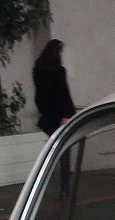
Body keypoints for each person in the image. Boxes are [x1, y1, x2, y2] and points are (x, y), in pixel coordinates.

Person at [34, 39, 77, 197]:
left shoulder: (38, 69)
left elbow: (40, 95)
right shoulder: (59, 71)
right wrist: (67, 114)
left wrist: (43, 111)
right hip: (60, 115)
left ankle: (42, 184)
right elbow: (63, 94)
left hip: (47, 116)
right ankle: (65, 187)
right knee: (64, 151)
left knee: (50, 151)